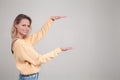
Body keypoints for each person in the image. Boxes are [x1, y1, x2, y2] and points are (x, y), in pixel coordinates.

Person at [11, 14, 72, 80]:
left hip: (28, 77)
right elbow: (39, 59)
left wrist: (51, 20)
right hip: (29, 77)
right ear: (16, 25)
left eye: (28, 26)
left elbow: (40, 34)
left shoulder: (23, 41)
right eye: (23, 25)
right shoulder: (20, 43)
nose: (26, 28)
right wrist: (59, 50)